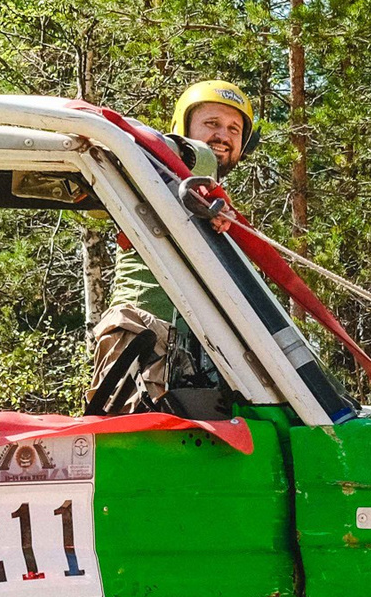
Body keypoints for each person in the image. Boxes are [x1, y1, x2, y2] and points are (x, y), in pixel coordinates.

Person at [88, 80, 261, 411]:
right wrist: (190, 160)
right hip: (143, 335)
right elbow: (108, 181)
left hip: (202, 351)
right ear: (184, 127)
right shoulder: (147, 170)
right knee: (133, 445)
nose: (223, 135)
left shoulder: (220, 207)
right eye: (212, 123)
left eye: (233, 129)